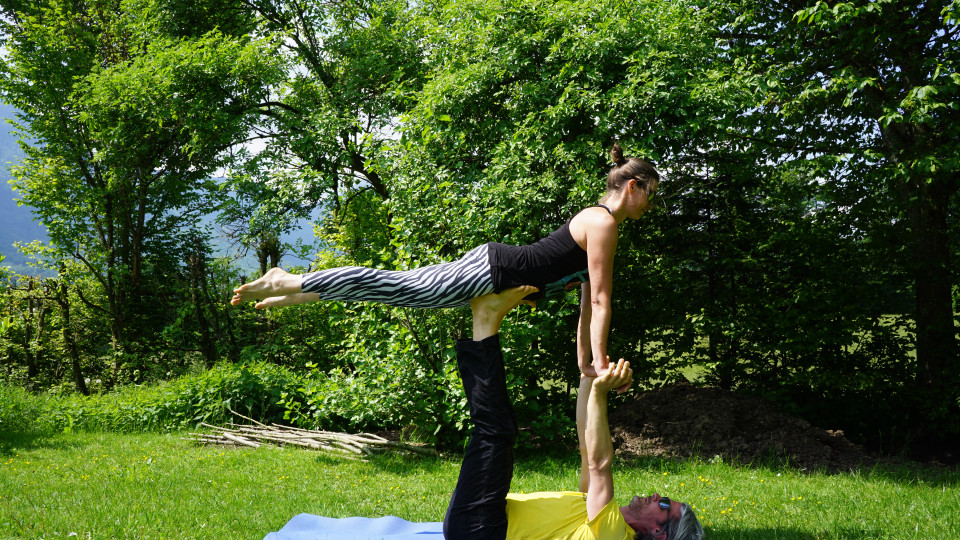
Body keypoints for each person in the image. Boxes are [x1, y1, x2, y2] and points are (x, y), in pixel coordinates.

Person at [230, 143, 659, 376]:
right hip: (493, 271)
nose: (650, 206)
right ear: (633, 186)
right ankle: (288, 279)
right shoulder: (603, 224)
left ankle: (297, 291)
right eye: (651, 195)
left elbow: (587, 308)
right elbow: (603, 302)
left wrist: (586, 360)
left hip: (492, 270)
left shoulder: (597, 222)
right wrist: (603, 362)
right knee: (397, 287)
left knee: (394, 290)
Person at [445, 285, 704, 540]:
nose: (659, 497)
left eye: (665, 506)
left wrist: (601, 393)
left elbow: (600, 464)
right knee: (500, 429)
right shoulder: (601, 517)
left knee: (497, 431)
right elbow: (586, 449)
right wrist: (588, 373)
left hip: (479, 529)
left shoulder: (612, 537)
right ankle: (482, 321)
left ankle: (484, 320)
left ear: (659, 533)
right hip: (481, 518)